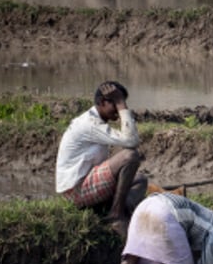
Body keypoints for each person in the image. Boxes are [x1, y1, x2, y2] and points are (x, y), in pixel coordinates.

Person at [56, 80, 149, 235]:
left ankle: (114, 210)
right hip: (75, 191)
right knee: (130, 156)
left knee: (140, 180)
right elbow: (131, 141)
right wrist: (121, 103)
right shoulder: (89, 123)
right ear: (102, 102)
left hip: (86, 183)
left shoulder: (96, 120)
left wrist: (119, 102)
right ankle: (116, 214)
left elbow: (127, 140)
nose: (119, 109)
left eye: (122, 103)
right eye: (116, 104)